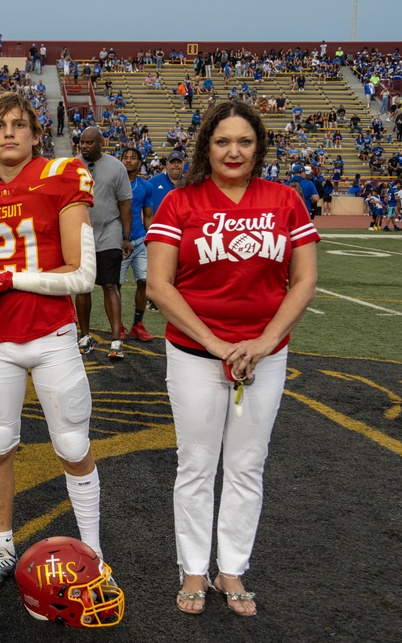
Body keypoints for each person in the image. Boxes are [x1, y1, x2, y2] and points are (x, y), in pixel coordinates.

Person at [145, 99, 319, 617]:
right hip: (197, 354)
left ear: (258, 146)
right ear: (206, 147)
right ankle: (194, 567)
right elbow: (159, 285)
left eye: (244, 141)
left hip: (265, 357)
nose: (234, 150)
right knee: (196, 464)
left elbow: (305, 280)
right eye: (223, 141)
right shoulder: (178, 203)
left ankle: (232, 567)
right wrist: (219, 345)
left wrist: (263, 343)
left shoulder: (287, 200)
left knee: (247, 464)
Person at [0, 91, 111, 593]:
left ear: (37, 133)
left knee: (72, 443)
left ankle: (93, 553)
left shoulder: (61, 175)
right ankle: (3, 548)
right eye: (0, 126)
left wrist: (11, 278)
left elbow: (82, 275)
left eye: (19, 124)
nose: (10, 132)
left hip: (53, 334)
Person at [74, 127, 133, 358]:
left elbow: (125, 203)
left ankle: (116, 339)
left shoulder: (117, 167)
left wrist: (126, 237)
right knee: (82, 286)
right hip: (81, 233)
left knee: (110, 285)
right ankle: (85, 336)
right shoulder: (73, 166)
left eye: (90, 143)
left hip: (109, 230)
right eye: (82, 142)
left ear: (101, 143)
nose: (85, 146)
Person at [119, 147, 155, 341]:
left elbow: (148, 216)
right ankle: (118, 325)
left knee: (144, 282)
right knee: (115, 285)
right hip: (118, 242)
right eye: (126, 157)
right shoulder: (115, 183)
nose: (129, 161)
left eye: (133, 158)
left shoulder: (146, 186)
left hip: (140, 240)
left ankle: (137, 324)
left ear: (140, 162)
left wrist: (151, 239)